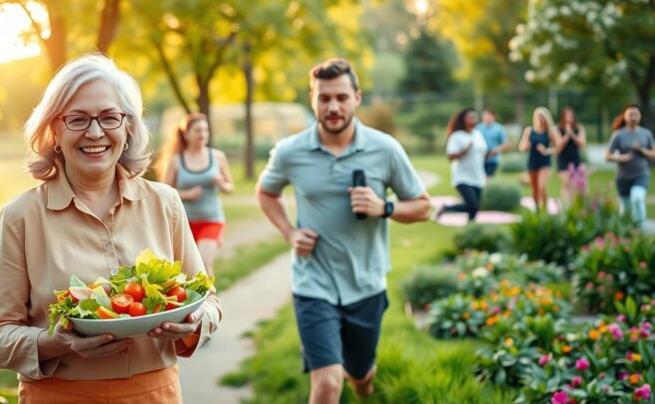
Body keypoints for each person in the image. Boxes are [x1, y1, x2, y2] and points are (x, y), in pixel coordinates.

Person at [0, 54, 221, 403]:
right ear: (55, 130)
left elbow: (208, 300)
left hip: (153, 395)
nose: (95, 133)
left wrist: (194, 321)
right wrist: (53, 343)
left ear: (128, 127)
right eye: (78, 119)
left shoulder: (165, 203)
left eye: (109, 117)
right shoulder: (20, 217)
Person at [255, 58, 431, 403]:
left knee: (361, 374)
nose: (333, 107)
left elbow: (424, 207)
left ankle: (364, 387)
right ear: (312, 100)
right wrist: (289, 233)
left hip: (366, 284)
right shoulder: (291, 151)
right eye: (324, 98)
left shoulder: (385, 149)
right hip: (313, 283)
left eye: (341, 97)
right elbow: (265, 192)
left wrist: (384, 207)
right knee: (327, 383)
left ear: (357, 98)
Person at [161, 113, 234, 276]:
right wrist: (186, 194)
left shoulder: (217, 157)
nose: (203, 134)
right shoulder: (176, 161)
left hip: (212, 219)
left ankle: (210, 294)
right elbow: (164, 192)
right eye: (198, 130)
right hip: (184, 222)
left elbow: (230, 188)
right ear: (186, 134)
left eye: (205, 130)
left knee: (203, 266)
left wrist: (222, 184)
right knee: (186, 271)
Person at [605, 104, 655, 226]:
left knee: (637, 198)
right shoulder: (618, 134)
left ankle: (640, 226)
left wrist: (642, 150)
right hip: (623, 177)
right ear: (625, 116)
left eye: (636, 114)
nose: (633, 117)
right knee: (625, 207)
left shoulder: (646, 134)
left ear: (640, 116)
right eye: (630, 114)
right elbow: (607, 156)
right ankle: (625, 231)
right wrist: (621, 158)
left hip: (641, 174)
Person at [437, 108, 488, 223]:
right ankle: (446, 208)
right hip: (463, 177)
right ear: (463, 120)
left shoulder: (478, 134)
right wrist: (464, 151)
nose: (474, 119)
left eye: (475, 117)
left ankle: (470, 228)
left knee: (474, 208)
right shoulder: (456, 136)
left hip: (478, 175)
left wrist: (491, 153)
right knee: (473, 205)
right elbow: (450, 157)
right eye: (471, 117)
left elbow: (483, 152)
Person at [518, 106, 559, 209]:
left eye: (542, 117)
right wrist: (526, 146)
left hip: (545, 163)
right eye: (538, 117)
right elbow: (521, 147)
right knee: (535, 189)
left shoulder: (549, 132)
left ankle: (544, 208)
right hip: (532, 162)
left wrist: (546, 150)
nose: (540, 119)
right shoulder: (529, 130)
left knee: (542, 187)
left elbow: (557, 148)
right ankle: (537, 210)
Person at [555, 106, 587, 205]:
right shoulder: (558, 129)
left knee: (577, 185)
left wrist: (572, 135)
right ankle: (566, 206)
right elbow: (558, 146)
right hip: (563, 161)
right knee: (566, 184)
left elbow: (581, 144)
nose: (569, 117)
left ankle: (575, 205)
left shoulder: (579, 128)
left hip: (575, 160)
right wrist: (566, 136)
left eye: (571, 115)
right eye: (567, 115)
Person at [476, 108, 509, 180]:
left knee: (488, 178)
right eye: (485, 117)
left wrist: (497, 149)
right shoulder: (478, 128)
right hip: (479, 158)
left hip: (492, 159)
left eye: (489, 117)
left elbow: (505, 144)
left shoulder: (499, 129)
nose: (487, 119)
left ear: (493, 117)